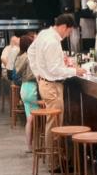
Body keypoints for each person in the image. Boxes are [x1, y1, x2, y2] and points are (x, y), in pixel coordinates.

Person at [28, 14, 86, 164]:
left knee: (52, 123)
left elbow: (31, 52)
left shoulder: (43, 34)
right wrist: (75, 71)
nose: (68, 35)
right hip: (52, 86)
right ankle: (54, 164)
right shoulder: (52, 41)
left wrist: (38, 73)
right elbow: (54, 70)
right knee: (54, 125)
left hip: (45, 83)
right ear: (63, 27)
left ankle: (54, 158)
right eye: (69, 32)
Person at [14, 35, 38, 152]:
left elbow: (17, 71)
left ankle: (29, 146)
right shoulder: (30, 57)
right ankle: (39, 144)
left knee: (30, 119)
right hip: (33, 88)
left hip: (24, 88)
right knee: (37, 119)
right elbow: (36, 73)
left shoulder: (20, 56)